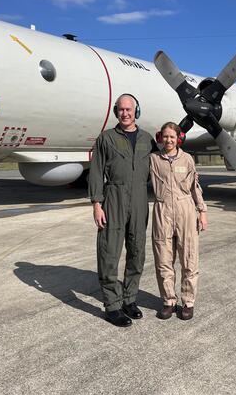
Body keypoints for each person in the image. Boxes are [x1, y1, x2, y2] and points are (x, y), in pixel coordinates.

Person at [89, 93, 158, 327]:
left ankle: (129, 298)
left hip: (139, 198)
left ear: (136, 111)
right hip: (114, 198)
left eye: (129, 109)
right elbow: (97, 172)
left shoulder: (148, 140)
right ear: (116, 112)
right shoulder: (106, 139)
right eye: (121, 110)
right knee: (109, 252)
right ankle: (113, 306)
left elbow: (163, 164)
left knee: (137, 251)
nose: (125, 113)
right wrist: (97, 204)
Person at [150, 122, 207, 320]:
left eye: (172, 137)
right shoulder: (153, 160)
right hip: (162, 210)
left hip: (185, 211)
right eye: (165, 136)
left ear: (178, 138)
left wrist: (202, 211)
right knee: (163, 259)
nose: (168, 140)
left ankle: (188, 302)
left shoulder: (187, 159)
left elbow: (194, 187)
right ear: (160, 137)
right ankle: (168, 301)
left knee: (189, 259)